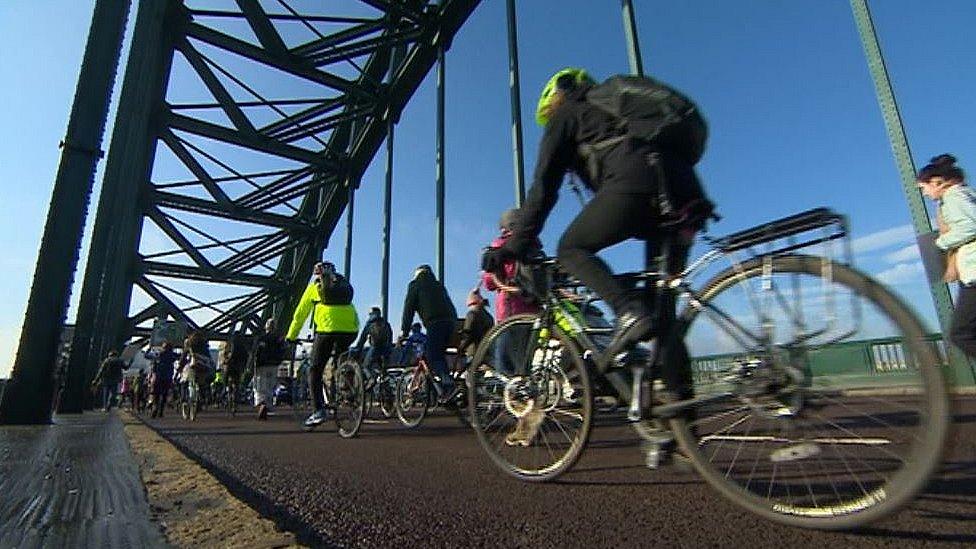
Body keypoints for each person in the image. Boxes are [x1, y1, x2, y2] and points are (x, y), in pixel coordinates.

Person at [481, 68, 713, 445]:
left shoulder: (566, 114)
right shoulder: (614, 110)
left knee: (571, 249)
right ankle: (683, 434)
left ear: (556, 97)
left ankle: (627, 310)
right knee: (665, 320)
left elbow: (542, 191)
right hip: (684, 189)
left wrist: (511, 247)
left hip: (638, 181)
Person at [288, 260, 359, 428]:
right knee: (340, 358)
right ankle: (347, 386)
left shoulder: (315, 287)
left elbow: (300, 314)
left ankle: (318, 411)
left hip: (327, 329)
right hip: (350, 329)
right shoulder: (341, 284)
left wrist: (291, 336)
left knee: (315, 368)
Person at [919, 154, 976, 358]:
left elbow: (971, 226)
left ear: (937, 182)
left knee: (960, 334)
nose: (924, 193)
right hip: (970, 275)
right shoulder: (963, 193)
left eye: (924, 187)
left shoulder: (953, 196)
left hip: (974, 276)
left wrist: (940, 244)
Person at [400, 264, 458, 399]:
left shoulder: (415, 285)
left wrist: (404, 332)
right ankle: (444, 388)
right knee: (439, 354)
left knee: (433, 355)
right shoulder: (438, 285)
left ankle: (448, 384)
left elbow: (408, 309)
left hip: (435, 322)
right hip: (452, 323)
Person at [483, 209, 542, 322]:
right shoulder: (534, 246)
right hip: (534, 304)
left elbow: (489, 284)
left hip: (511, 304)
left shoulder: (501, 245)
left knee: (511, 338)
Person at [253, 319, 286, 420]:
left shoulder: (262, 338)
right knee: (270, 387)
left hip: (262, 365)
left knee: (259, 387)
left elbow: (256, 353)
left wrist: (254, 365)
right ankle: (267, 405)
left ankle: (261, 403)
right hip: (274, 365)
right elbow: (283, 349)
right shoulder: (278, 339)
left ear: (266, 327)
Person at [354, 307, 393, 378]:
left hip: (375, 348)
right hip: (386, 348)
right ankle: (386, 385)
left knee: (366, 366)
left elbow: (362, 339)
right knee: (383, 369)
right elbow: (390, 335)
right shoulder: (385, 323)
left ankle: (371, 379)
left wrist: (358, 350)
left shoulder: (370, 323)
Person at [458, 288, 494, 359]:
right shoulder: (489, 316)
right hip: (488, 352)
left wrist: (461, 348)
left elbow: (468, 334)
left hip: (475, 353)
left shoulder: (472, 314)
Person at [150, 341, 177, 418]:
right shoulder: (172, 355)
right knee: (164, 394)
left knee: (156, 394)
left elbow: (149, 358)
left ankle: (155, 407)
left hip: (158, 376)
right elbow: (179, 357)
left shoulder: (158, 354)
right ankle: (161, 411)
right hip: (167, 377)